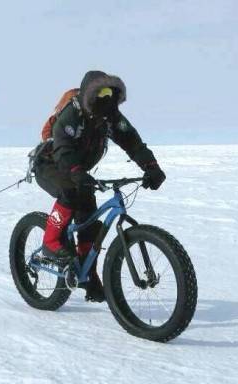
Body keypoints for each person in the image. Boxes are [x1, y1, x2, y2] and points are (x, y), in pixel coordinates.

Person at [34, 71, 166, 302]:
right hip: (50, 164)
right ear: (89, 95)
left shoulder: (111, 118)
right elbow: (63, 147)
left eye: (112, 96)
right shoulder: (72, 114)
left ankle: (88, 274)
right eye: (101, 94)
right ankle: (51, 242)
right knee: (70, 192)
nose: (107, 100)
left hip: (79, 171)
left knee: (89, 220)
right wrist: (76, 172)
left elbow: (132, 142)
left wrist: (151, 166)